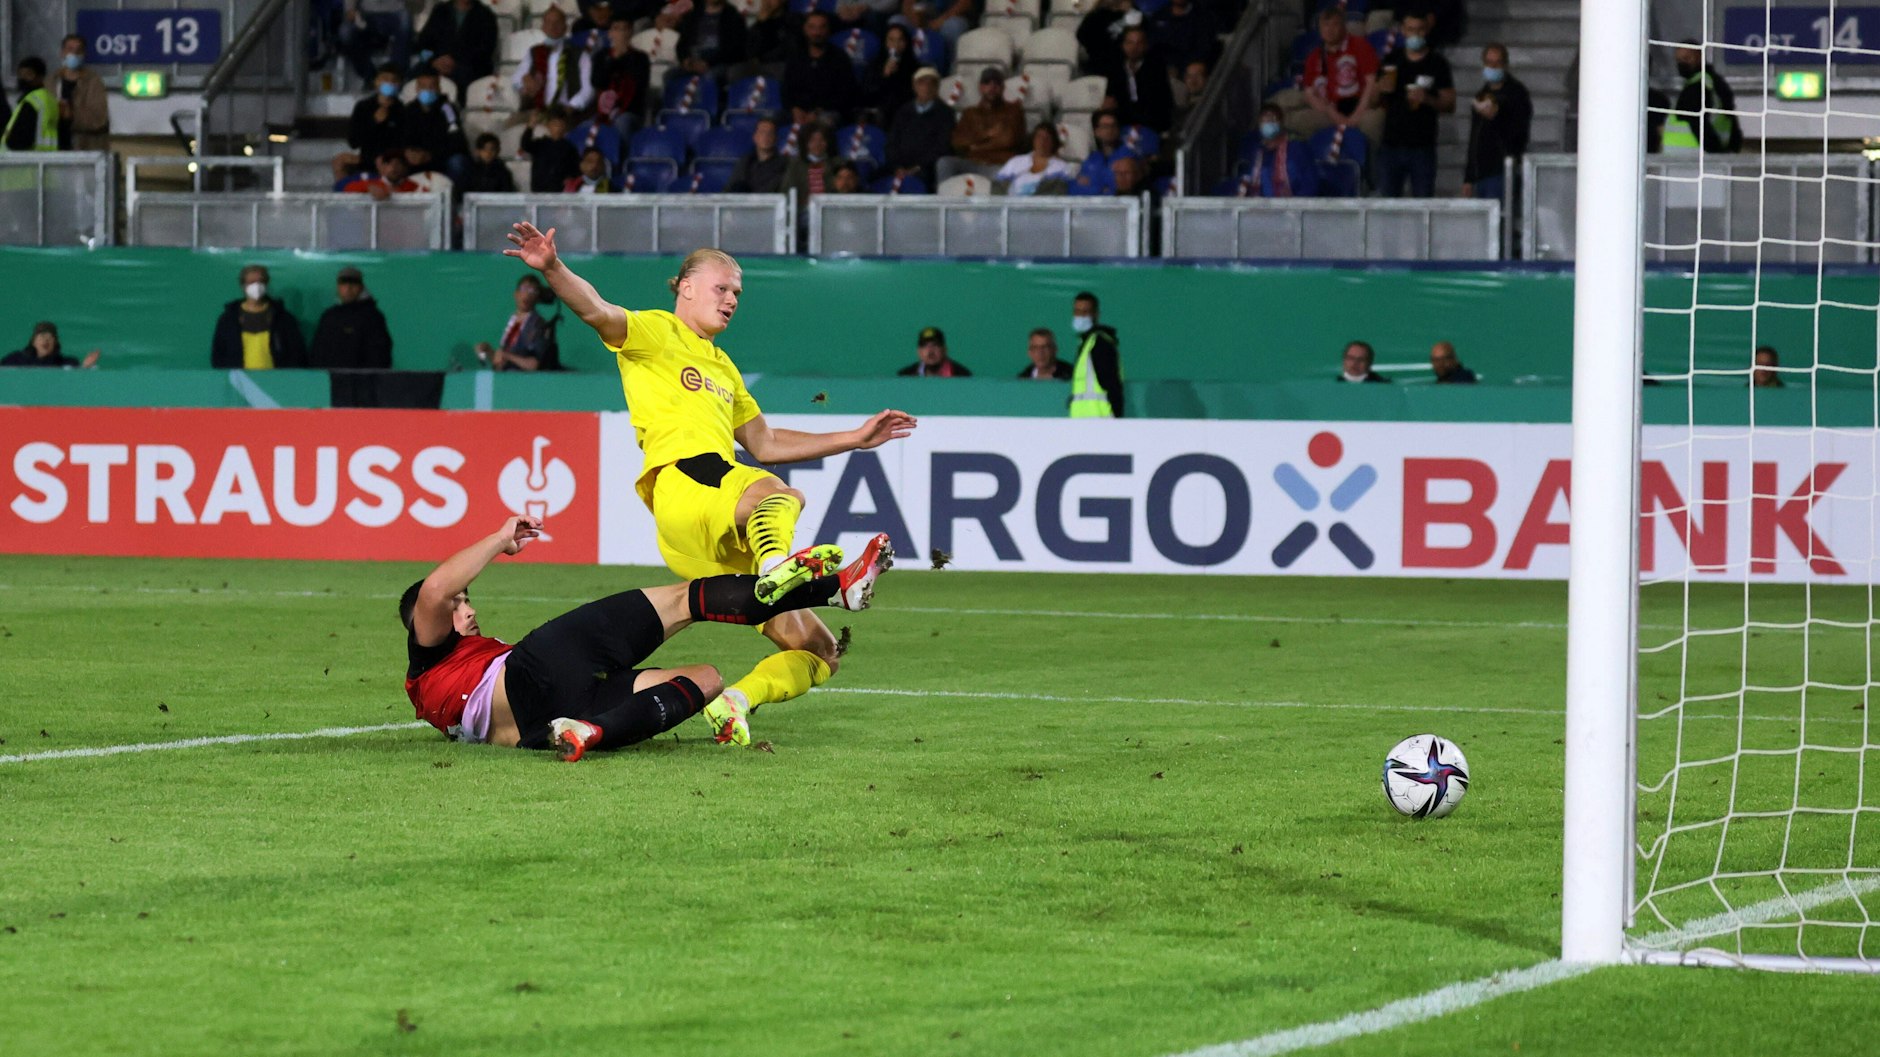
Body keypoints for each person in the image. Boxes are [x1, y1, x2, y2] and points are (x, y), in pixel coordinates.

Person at [503, 231, 917, 721]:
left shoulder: (724, 368)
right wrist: (552, 267)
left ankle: (736, 702)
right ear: (686, 289)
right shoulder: (656, 332)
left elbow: (764, 443)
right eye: (722, 288)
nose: (732, 300)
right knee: (780, 495)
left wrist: (855, 437)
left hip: (701, 538)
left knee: (820, 648)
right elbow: (597, 310)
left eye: (738, 293)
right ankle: (784, 571)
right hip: (686, 482)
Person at [400, 514, 895, 759]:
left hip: (543, 724)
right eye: (460, 607)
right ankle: (836, 590)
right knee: (685, 600)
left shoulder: (444, 696)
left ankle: (591, 734)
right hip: (534, 669)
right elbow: (436, 588)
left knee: (706, 679)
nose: (468, 609)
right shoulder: (429, 655)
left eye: (468, 603)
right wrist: (500, 537)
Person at [1374, 10, 1453, 198]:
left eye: (1419, 30)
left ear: (1426, 31)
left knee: (1423, 206)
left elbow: (1449, 104)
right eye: (1411, 29)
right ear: (1403, 30)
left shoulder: (1437, 63)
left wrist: (1428, 99)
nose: (1415, 35)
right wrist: (1380, 89)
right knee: (1388, 207)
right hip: (1391, 146)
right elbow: (1373, 102)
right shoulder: (1391, 59)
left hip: (1422, 148)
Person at [1461, 42, 1531, 200]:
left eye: (1497, 63)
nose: (1493, 67)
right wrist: (1469, 177)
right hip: (1481, 172)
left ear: (1505, 65)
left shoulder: (1517, 94)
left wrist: (1497, 118)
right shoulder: (1481, 95)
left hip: (1502, 170)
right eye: (1489, 63)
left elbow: (1520, 133)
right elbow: (1474, 138)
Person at [1300, 4, 1379, 140]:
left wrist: (1356, 116)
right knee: (1301, 119)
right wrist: (1332, 114)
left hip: (1359, 106)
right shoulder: (1314, 56)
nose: (1330, 30)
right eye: (1326, 25)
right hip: (1329, 110)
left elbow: (1371, 83)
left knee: (1373, 120)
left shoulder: (1360, 45)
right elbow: (1309, 93)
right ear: (1320, 29)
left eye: (1335, 25)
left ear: (1343, 26)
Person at [210, 265, 308, 370]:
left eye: (261, 281)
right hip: (240, 382)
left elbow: (297, 353)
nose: (257, 286)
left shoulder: (284, 318)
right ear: (243, 286)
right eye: (251, 282)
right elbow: (218, 355)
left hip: (277, 380)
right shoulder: (228, 319)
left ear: (267, 284)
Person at [940, 67, 1025, 182]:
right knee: (945, 163)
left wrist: (975, 146)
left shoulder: (1014, 110)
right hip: (972, 162)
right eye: (987, 83)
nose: (992, 87)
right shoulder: (970, 113)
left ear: (1003, 88)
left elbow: (1007, 140)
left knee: (998, 175)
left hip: (999, 163)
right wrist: (987, 134)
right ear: (980, 87)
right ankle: (944, 200)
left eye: (997, 83)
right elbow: (957, 142)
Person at [309, 266, 395, 370]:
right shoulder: (329, 317)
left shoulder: (372, 317)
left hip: (362, 383)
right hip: (332, 381)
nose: (348, 288)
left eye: (353, 283)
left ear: (361, 287)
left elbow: (380, 356)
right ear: (338, 287)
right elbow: (318, 353)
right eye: (344, 283)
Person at [516, 6, 595, 114]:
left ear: (565, 27)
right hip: (537, 111)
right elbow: (516, 78)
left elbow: (588, 89)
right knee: (508, 126)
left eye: (557, 22)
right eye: (548, 22)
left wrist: (572, 106)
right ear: (542, 27)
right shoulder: (534, 52)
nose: (552, 26)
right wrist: (524, 80)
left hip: (566, 112)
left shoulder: (581, 55)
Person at [334, 65, 406, 183]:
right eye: (385, 79)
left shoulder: (403, 110)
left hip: (391, 163)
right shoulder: (363, 107)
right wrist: (374, 122)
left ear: (399, 85)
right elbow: (354, 141)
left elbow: (402, 143)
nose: (389, 83)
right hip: (367, 161)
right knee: (339, 161)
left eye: (394, 80)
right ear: (376, 82)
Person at [784, 12, 857, 127]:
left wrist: (818, 112)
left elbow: (845, 94)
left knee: (824, 122)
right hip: (798, 111)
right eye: (812, 27)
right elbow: (786, 89)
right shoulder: (796, 57)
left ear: (828, 30)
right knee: (770, 122)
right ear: (805, 29)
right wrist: (794, 109)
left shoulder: (839, 57)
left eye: (822, 27)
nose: (817, 32)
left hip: (829, 111)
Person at [1667, 42, 1741, 153]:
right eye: (1679, 60)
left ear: (1699, 56)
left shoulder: (1697, 87)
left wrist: (1717, 154)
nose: (1682, 63)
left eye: (1687, 58)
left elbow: (1698, 125)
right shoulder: (1713, 82)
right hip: (1706, 158)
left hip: (1693, 160)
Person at [885, 66, 953, 187]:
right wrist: (897, 166)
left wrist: (918, 167)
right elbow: (892, 142)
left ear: (937, 88)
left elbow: (943, 147)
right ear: (914, 86)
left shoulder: (945, 113)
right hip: (899, 166)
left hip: (926, 169)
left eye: (931, 84)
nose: (926, 88)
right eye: (921, 83)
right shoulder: (903, 111)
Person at [475, 274, 557, 371]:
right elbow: (503, 359)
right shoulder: (512, 321)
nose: (527, 294)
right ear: (516, 294)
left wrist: (506, 356)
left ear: (538, 298)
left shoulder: (539, 325)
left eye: (532, 290)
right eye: (524, 289)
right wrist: (489, 352)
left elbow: (534, 365)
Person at [403, 66, 470, 183]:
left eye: (432, 86)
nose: (428, 90)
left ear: (439, 88)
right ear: (417, 88)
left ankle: (453, 197)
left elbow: (457, 141)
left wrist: (430, 155)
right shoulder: (409, 110)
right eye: (423, 86)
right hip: (416, 159)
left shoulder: (448, 109)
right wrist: (408, 152)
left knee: (457, 162)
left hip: (440, 158)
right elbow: (403, 138)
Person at [1103, 25, 1173, 134]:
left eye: (1139, 43)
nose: (1134, 48)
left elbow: (1156, 104)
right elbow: (1111, 98)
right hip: (1123, 124)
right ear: (1123, 45)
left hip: (1151, 124)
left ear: (1146, 45)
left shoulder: (1156, 68)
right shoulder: (1116, 70)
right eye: (1129, 43)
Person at [415, 0, 499, 90]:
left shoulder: (486, 15)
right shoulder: (440, 11)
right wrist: (433, 61)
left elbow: (485, 51)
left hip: (469, 71)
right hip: (436, 67)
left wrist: (455, 63)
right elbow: (423, 44)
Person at [1241, 103, 1318, 196]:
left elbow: (1310, 184)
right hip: (1263, 208)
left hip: (1294, 207)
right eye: (1264, 121)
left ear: (1281, 123)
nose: (1268, 123)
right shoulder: (1258, 154)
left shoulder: (1297, 148)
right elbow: (1249, 182)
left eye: (1273, 120)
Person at [1069, 291, 1124, 417]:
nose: (1080, 317)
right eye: (1077, 312)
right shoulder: (1085, 344)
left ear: (1096, 314)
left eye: (1085, 312)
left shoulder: (1100, 344)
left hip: (1100, 419)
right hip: (1082, 419)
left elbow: (1112, 386)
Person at [590, 21, 650, 137]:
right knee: (587, 126)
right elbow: (597, 82)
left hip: (630, 110)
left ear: (630, 33)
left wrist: (624, 56)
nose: (621, 33)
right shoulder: (601, 56)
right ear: (610, 33)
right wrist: (614, 60)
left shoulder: (640, 58)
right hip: (603, 110)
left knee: (622, 123)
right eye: (617, 29)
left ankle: (621, 155)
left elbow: (640, 84)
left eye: (625, 29)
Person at [53, 36, 110, 152]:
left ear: (84, 54)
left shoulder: (94, 82)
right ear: (62, 53)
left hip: (85, 149)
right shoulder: (51, 81)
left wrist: (71, 115)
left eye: (78, 51)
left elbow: (99, 119)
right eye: (70, 49)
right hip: (55, 149)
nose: (74, 54)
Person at [338, 0, 413, 83]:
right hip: (365, 14)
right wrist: (350, 9)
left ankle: (395, 75)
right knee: (345, 32)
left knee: (405, 19)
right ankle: (370, 76)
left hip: (395, 11)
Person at [676, 0, 750, 81]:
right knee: (671, 75)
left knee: (709, 77)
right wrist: (686, 60)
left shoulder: (734, 17)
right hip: (694, 63)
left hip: (720, 64)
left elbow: (735, 51)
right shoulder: (692, 16)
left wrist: (708, 63)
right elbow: (681, 45)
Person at [995, 124, 1077, 195]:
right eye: (1039, 137)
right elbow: (998, 188)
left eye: (1047, 138)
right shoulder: (1015, 162)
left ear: (1053, 142)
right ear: (1033, 140)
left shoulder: (1062, 168)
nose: (1042, 142)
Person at [1070, 110, 1131, 194]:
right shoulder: (1092, 158)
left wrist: (1092, 185)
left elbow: (1123, 188)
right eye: (1105, 126)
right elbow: (1075, 188)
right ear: (1096, 132)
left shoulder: (1128, 156)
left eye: (1113, 126)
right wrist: (1101, 189)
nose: (1110, 130)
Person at [523, 106, 581, 192]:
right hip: (538, 191)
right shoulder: (540, 144)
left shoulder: (570, 148)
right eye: (554, 124)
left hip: (559, 193)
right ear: (548, 125)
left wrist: (570, 179)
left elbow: (575, 170)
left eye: (560, 125)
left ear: (565, 126)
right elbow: (525, 145)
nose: (557, 128)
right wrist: (530, 127)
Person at [4, 58, 56, 152]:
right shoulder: (49, 98)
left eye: (28, 75)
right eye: (20, 75)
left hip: (25, 162)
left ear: (40, 77)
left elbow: (18, 141)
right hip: (44, 160)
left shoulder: (32, 101)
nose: (23, 79)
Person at [868, 23, 918, 120]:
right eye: (891, 40)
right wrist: (885, 75)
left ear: (906, 43)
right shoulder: (874, 65)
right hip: (881, 110)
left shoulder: (915, 67)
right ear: (885, 42)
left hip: (906, 111)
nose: (896, 45)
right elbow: (869, 93)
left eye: (900, 40)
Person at [729, 117, 791, 193]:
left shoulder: (785, 164)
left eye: (770, 133)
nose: (766, 136)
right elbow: (730, 189)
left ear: (776, 138)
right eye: (762, 132)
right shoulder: (745, 162)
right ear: (755, 137)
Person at [2, 321, 98, 369]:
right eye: (42, 336)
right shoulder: (15, 359)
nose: (45, 341)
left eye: (50, 337)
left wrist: (84, 368)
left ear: (55, 342)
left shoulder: (67, 363)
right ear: (33, 340)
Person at [782, 124, 837, 202]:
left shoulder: (836, 163)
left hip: (830, 210)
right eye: (813, 140)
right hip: (801, 211)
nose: (817, 144)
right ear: (805, 143)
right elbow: (787, 190)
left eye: (822, 140)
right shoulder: (795, 165)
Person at [341, 149, 422, 197]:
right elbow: (347, 189)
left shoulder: (415, 187)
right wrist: (368, 187)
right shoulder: (372, 184)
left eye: (399, 163)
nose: (393, 167)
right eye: (388, 163)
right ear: (382, 167)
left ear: (405, 167)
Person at [898, 325, 971, 376]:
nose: (930, 351)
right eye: (925, 346)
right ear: (919, 352)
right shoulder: (905, 376)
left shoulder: (962, 376)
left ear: (944, 350)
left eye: (935, 345)